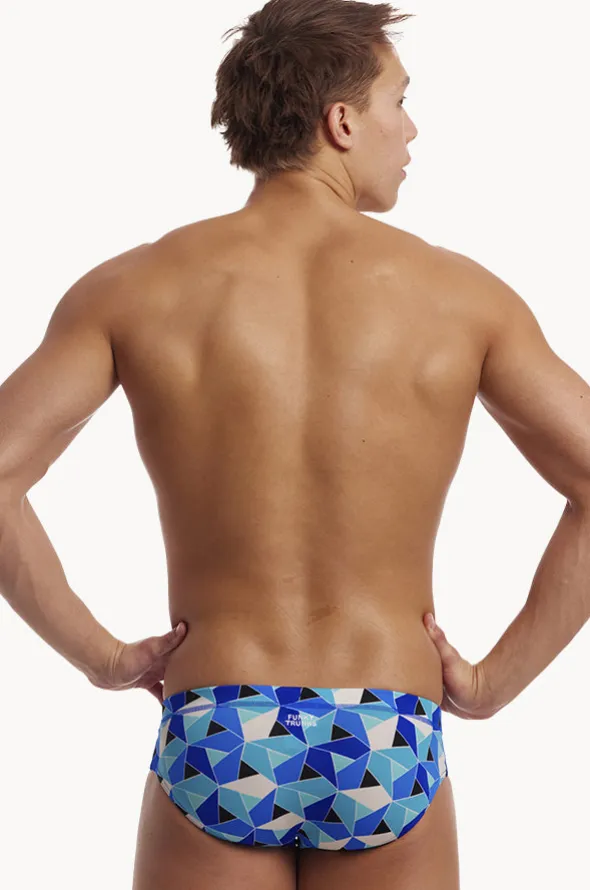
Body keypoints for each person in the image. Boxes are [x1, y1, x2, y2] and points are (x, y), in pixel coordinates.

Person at [0, 0, 588, 887]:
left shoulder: (135, 288)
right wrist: (494, 680)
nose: (411, 128)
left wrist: (103, 658)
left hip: (219, 723)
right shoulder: (463, 298)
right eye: (399, 101)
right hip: (387, 726)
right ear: (341, 121)